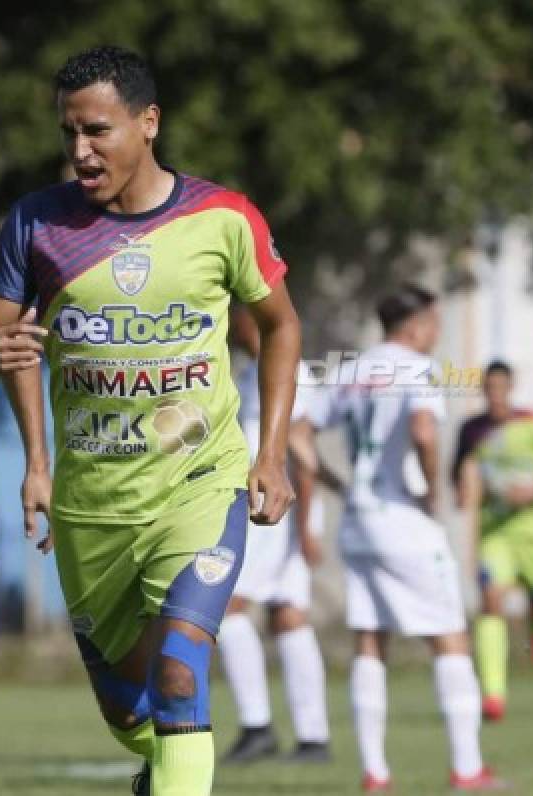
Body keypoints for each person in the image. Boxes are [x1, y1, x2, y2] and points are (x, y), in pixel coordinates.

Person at [0, 46, 302, 796]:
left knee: (181, 672)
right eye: (69, 134)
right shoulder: (35, 224)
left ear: (148, 123)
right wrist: (28, 440)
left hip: (201, 486)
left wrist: (271, 453)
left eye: (98, 131)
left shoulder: (224, 218)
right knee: (131, 712)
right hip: (94, 508)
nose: (80, 151)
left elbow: (280, 327)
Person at [309, 284, 503, 792]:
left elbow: (295, 432)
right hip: (403, 520)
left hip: (357, 521)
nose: (436, 333)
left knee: (370, 641)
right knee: (449, 637)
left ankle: (375, 772)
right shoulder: (417, 370)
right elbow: (422, 429)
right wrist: (431, 488)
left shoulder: (351, 370)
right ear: (415, 325)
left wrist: (334, 484)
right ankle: (466, 768)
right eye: (434, 323)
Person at [217, 304, 330, 764]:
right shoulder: (247, 373)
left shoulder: (292, 369)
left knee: (229, 608)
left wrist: (305, 531)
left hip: (277, 514)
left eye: (235, 315)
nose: (229, 325)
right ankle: (312, 737)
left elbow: (301, 454)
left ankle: (259, 725)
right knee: (288, 616)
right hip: (267, 514)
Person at [450, 361, 533, 721]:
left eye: (500, 388)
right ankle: (493, 694)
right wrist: (467, 491)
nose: (495, 396)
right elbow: (461, 475)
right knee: (491, 600)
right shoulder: (472, 431)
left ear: (510, 388)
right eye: (488, 389)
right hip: (494, 532)